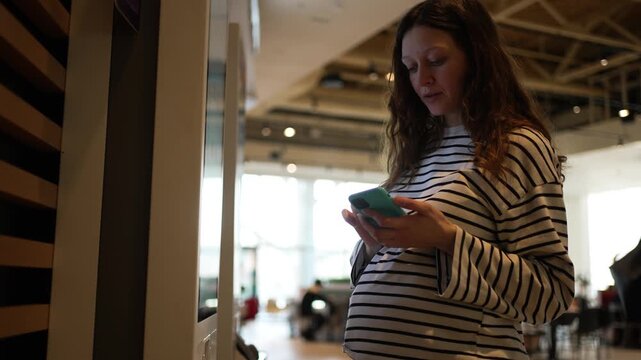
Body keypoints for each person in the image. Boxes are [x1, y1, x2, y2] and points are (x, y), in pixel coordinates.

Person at [340, 1, 575, 359]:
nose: (422, 80)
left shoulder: (517, 146)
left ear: (476, 58)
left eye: (436, 61)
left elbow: (551, 293)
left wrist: (448, 239)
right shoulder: (418, 152)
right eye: (410, 68)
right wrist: (375, 240)